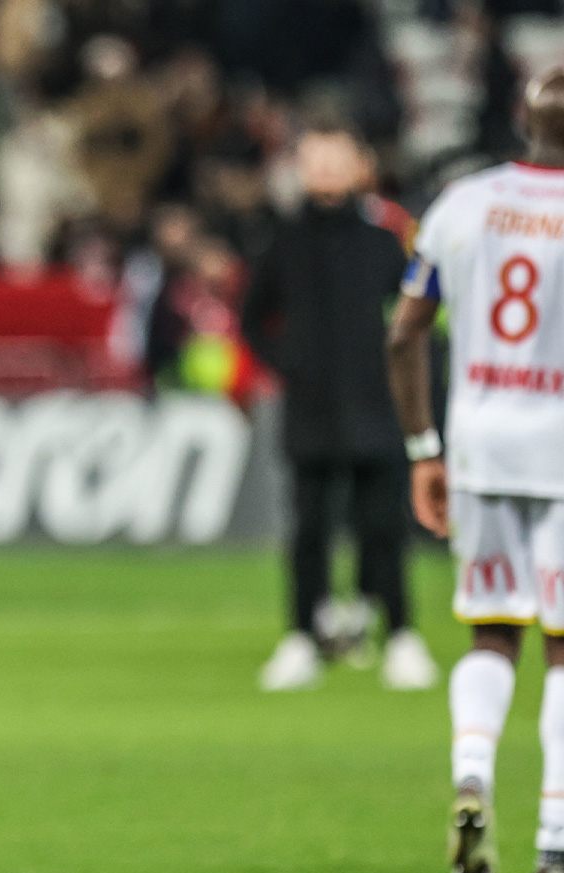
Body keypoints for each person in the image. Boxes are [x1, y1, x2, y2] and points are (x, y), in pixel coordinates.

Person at [389, 67, 564, 873]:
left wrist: (425, 447)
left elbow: (404, 336)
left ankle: (472, 777)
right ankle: (557, 847)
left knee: (492, 632)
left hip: (480, 446)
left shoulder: (462, 202)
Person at [245, 126, 437, 692]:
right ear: (300, 169)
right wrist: (290, 363)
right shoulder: (281, 241)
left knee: (384, 526)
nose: (326, 170)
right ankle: (301, 637)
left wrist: (401, 377)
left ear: (360, 166)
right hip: (311, 410)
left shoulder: (384, 240)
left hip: (376, 406)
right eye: (315, 159)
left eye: (337, 159)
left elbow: (419, 317)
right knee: (309, 530)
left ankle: (401, 635)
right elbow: (253, 317)